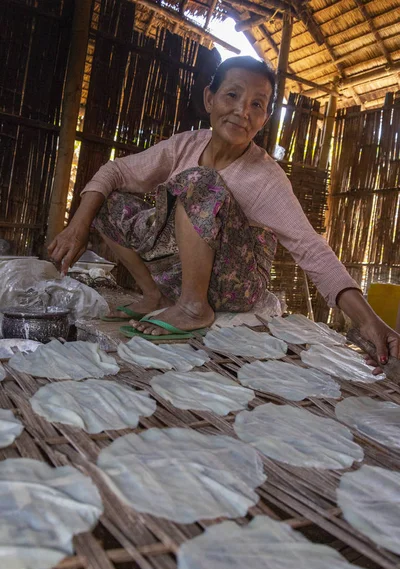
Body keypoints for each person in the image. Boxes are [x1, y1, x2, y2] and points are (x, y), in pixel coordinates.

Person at [49, 55, 399, 365]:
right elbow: (115, 171)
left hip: (236, 285)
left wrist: (368, 320)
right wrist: (77, 225)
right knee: (107, 202)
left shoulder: (265, 178)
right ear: (209, 98)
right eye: (232, 95)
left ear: (264, 118)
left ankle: (193, 307)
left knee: (201, 181)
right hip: (177, 272)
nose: (242, 111)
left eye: (257, 104)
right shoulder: (185, 144)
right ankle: (153, 294)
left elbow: (312, 250)